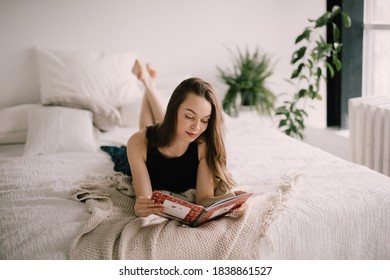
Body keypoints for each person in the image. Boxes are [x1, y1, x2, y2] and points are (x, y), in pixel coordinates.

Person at [127, 60, 241, 217]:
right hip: (149, 140)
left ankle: (148, 81)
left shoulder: (203, 145)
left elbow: (204, 200)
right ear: (173, 109)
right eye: (189, 116)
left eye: (205, 120)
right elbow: (145, 202)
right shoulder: (138, 142)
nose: (197, 127)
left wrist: (231, 199)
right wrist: (141, 208)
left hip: (168, 129)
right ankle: (147, 81)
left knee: (169, 128)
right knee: (149, 131)